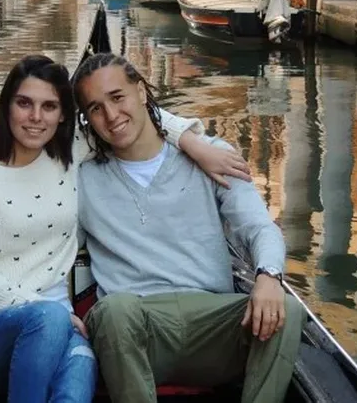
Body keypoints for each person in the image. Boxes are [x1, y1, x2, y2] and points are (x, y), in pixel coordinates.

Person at [0, 54, 251, 403]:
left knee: (78, 374)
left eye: (49, 106)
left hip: (59, 328)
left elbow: (135, 117)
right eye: (24, 103)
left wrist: (194, 144)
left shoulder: (69, 155)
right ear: (6, 105)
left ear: (63, 116)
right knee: (47, 319)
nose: (36, 117)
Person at [71, 52, 303, 403]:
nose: (112, 116)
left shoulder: (213, 156)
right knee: (115, 311)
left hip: (213, 324)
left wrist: (269, 276)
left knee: (288, 308)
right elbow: (54, 252)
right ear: (87, 119)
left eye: (118, 97)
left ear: (141, 92)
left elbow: (260, 228)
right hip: (135, 329)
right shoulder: (81, 181)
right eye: (96, 109)